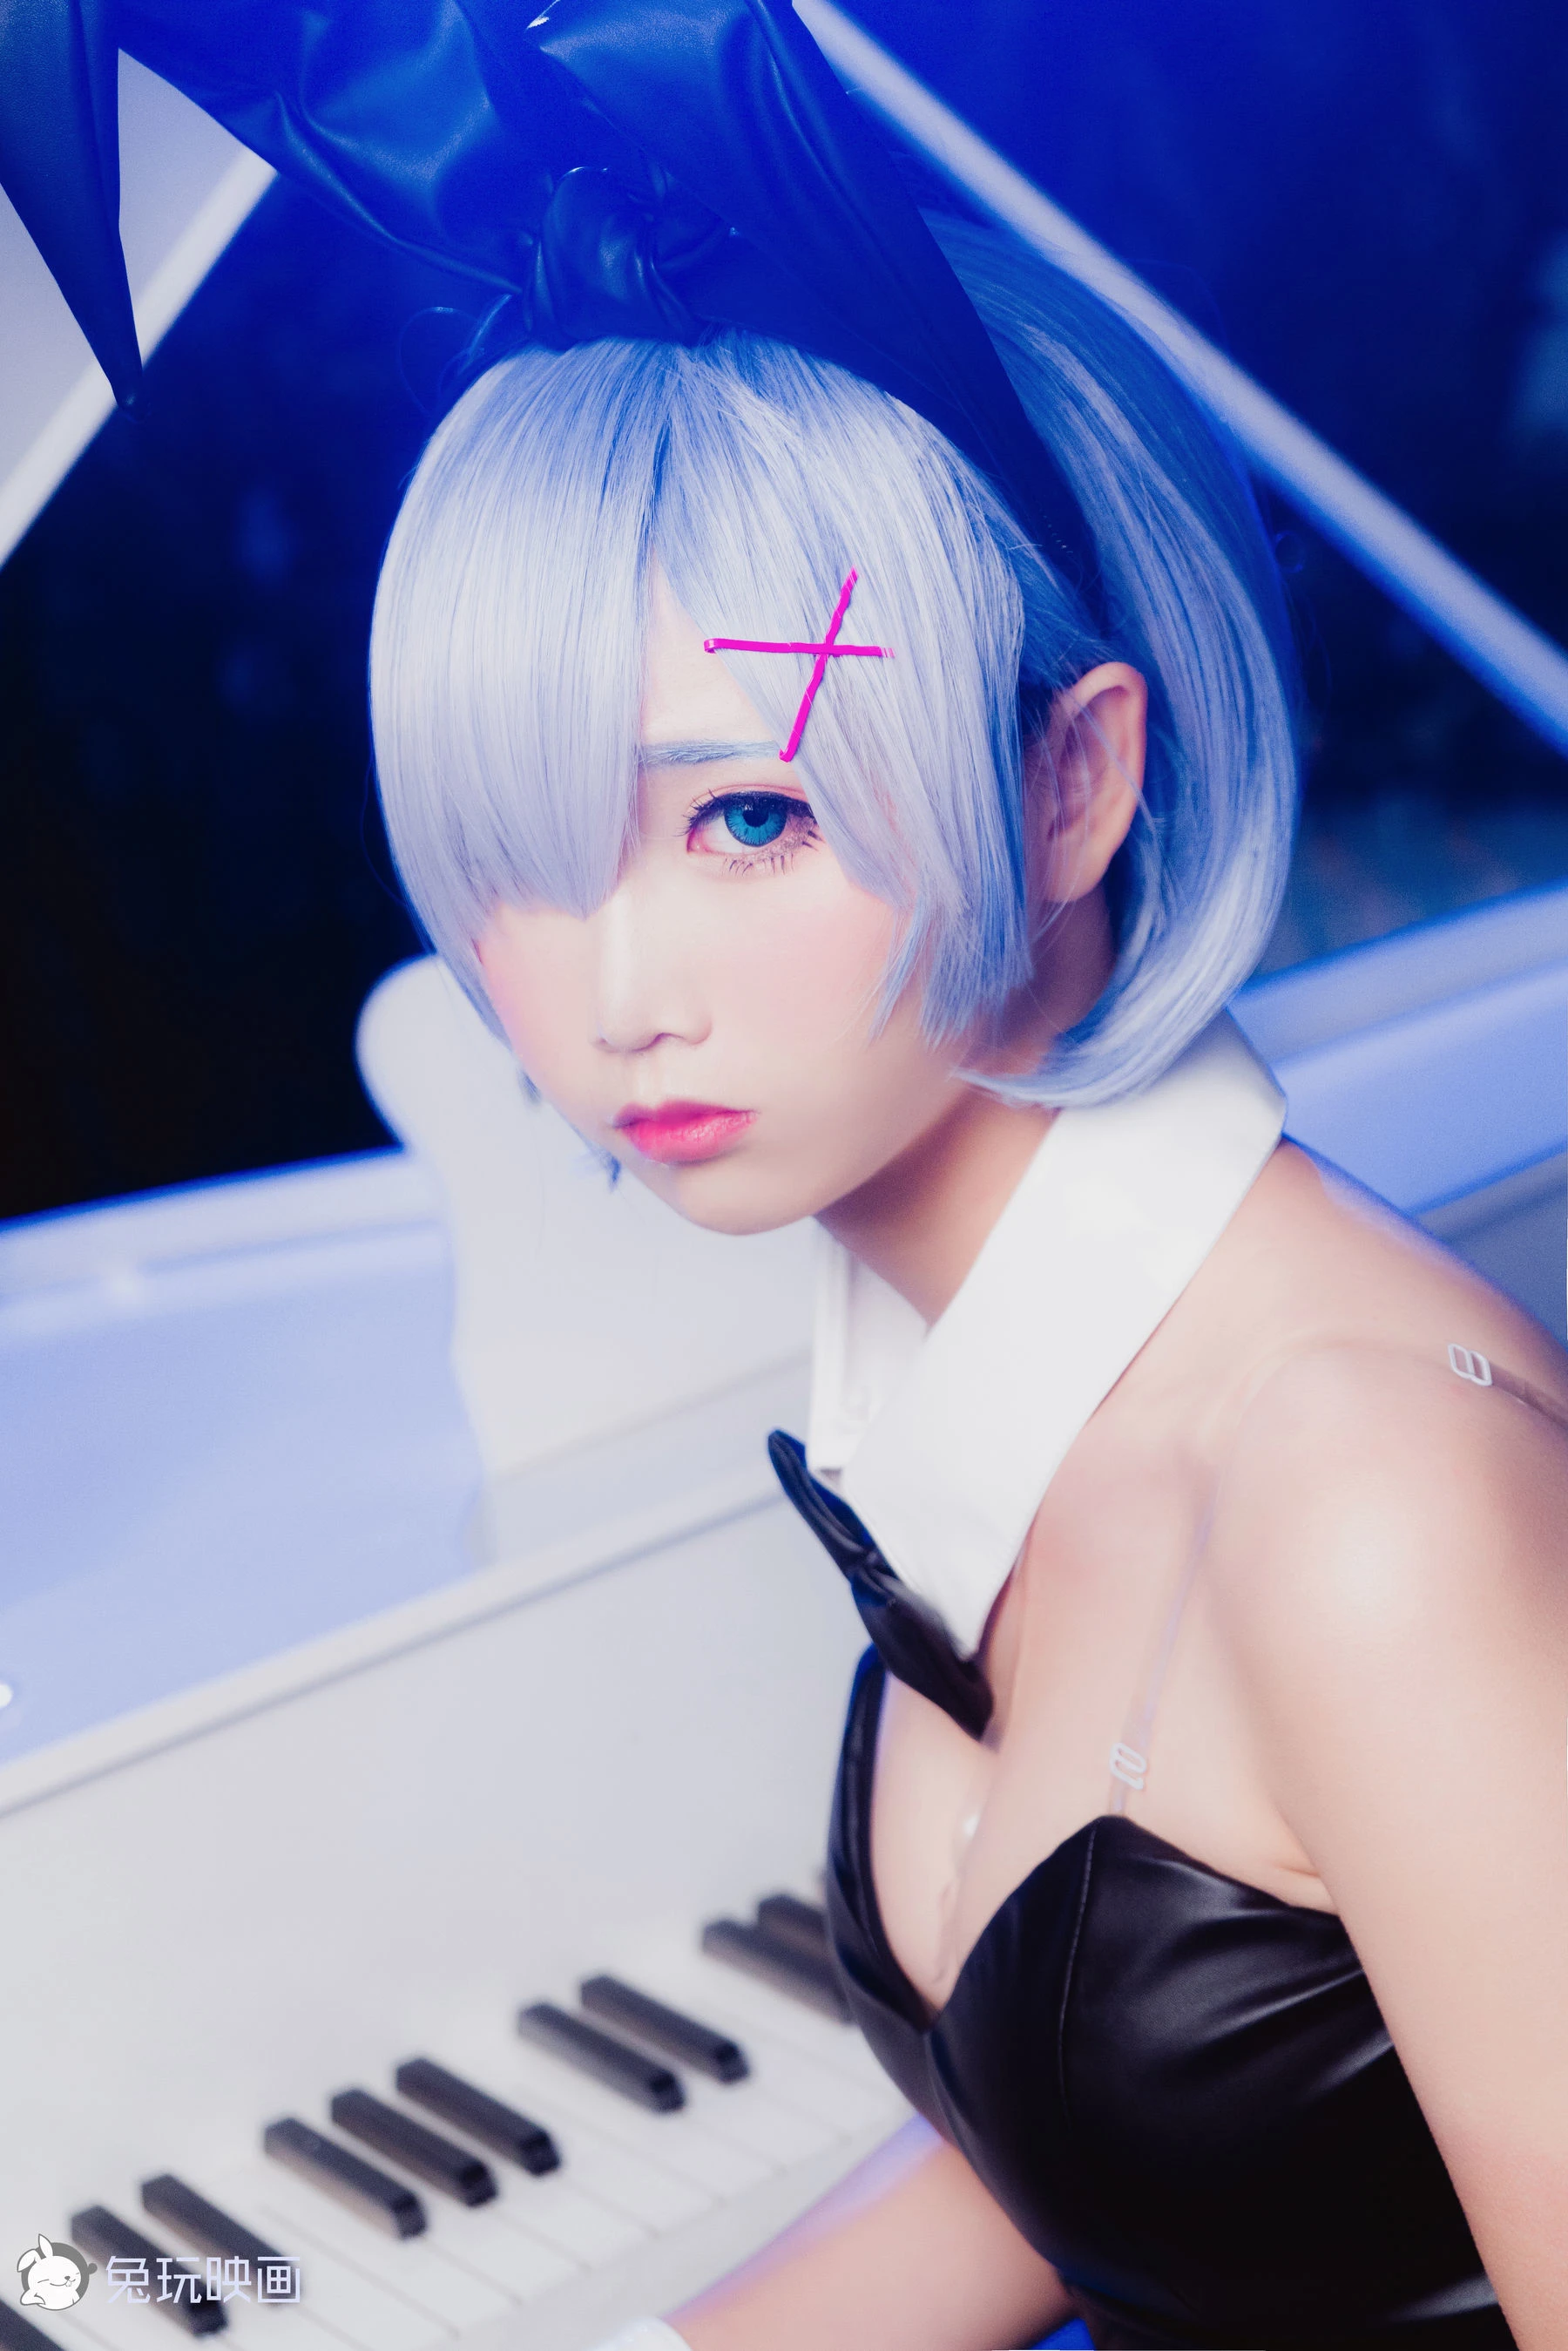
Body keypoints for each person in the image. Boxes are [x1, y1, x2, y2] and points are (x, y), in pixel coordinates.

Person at [6, 4, 1566, 2343]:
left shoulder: (1368, 1496)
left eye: (747, 816)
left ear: (1073, 785)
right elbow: (1083, 2154)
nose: (615, 990)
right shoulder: (964, 1376)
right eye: (527, 844)